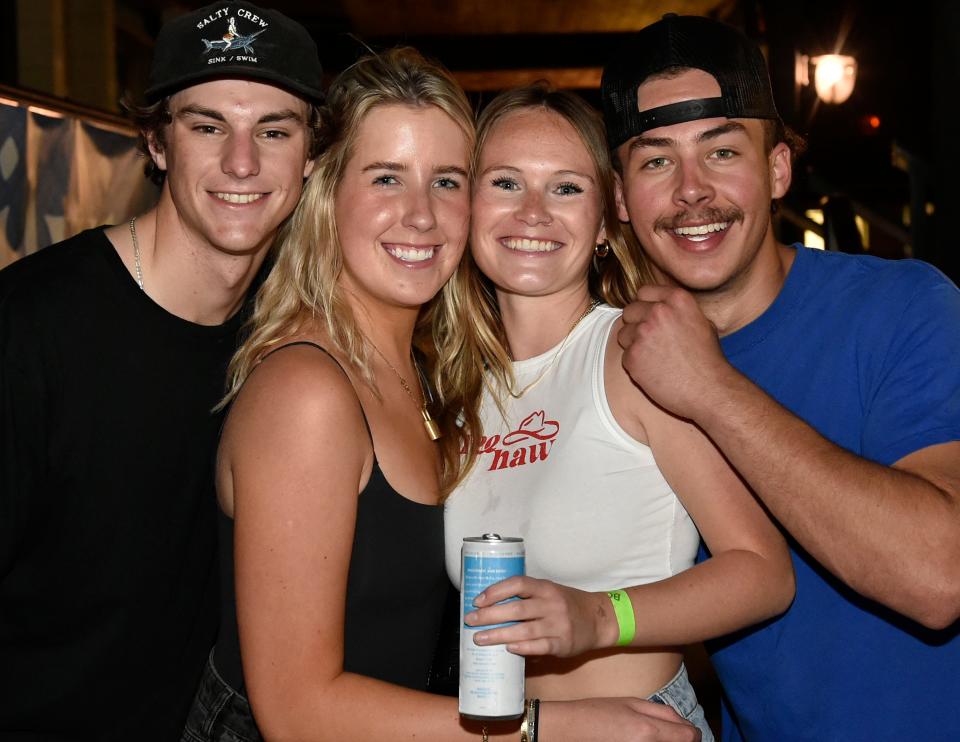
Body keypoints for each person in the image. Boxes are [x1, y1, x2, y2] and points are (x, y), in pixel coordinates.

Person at [185, 47, 703, 742]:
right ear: (326, 191)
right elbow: (295, 713)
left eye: (448, 181)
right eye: (387, 177)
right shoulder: (306, 393)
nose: (421, 215)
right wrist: (547, 727)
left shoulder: (435, 378)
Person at [601, 12, 960, 741]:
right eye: (656, 160)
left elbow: (938, 577)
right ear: (619, 200)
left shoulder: (907, 305)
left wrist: (709, 387)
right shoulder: (613, 364)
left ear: (778, 170)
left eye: (722, 151)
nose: (691, 191)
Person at [0, 2, 323, 738]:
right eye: (207, 126)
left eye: (273, 130)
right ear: (156, 141)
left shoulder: (288, 336)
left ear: (310, 155)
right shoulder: (30, 329)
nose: (242, 162)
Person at [441, 83, 794, 741]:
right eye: (507, 183)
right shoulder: (457, 392)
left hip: (642, 726)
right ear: (467, 206)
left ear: (606, 220)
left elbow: (762, 573)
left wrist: (601, 617)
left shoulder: (636, 353)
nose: (534, 212)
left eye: (567, 189)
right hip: (512, 728)